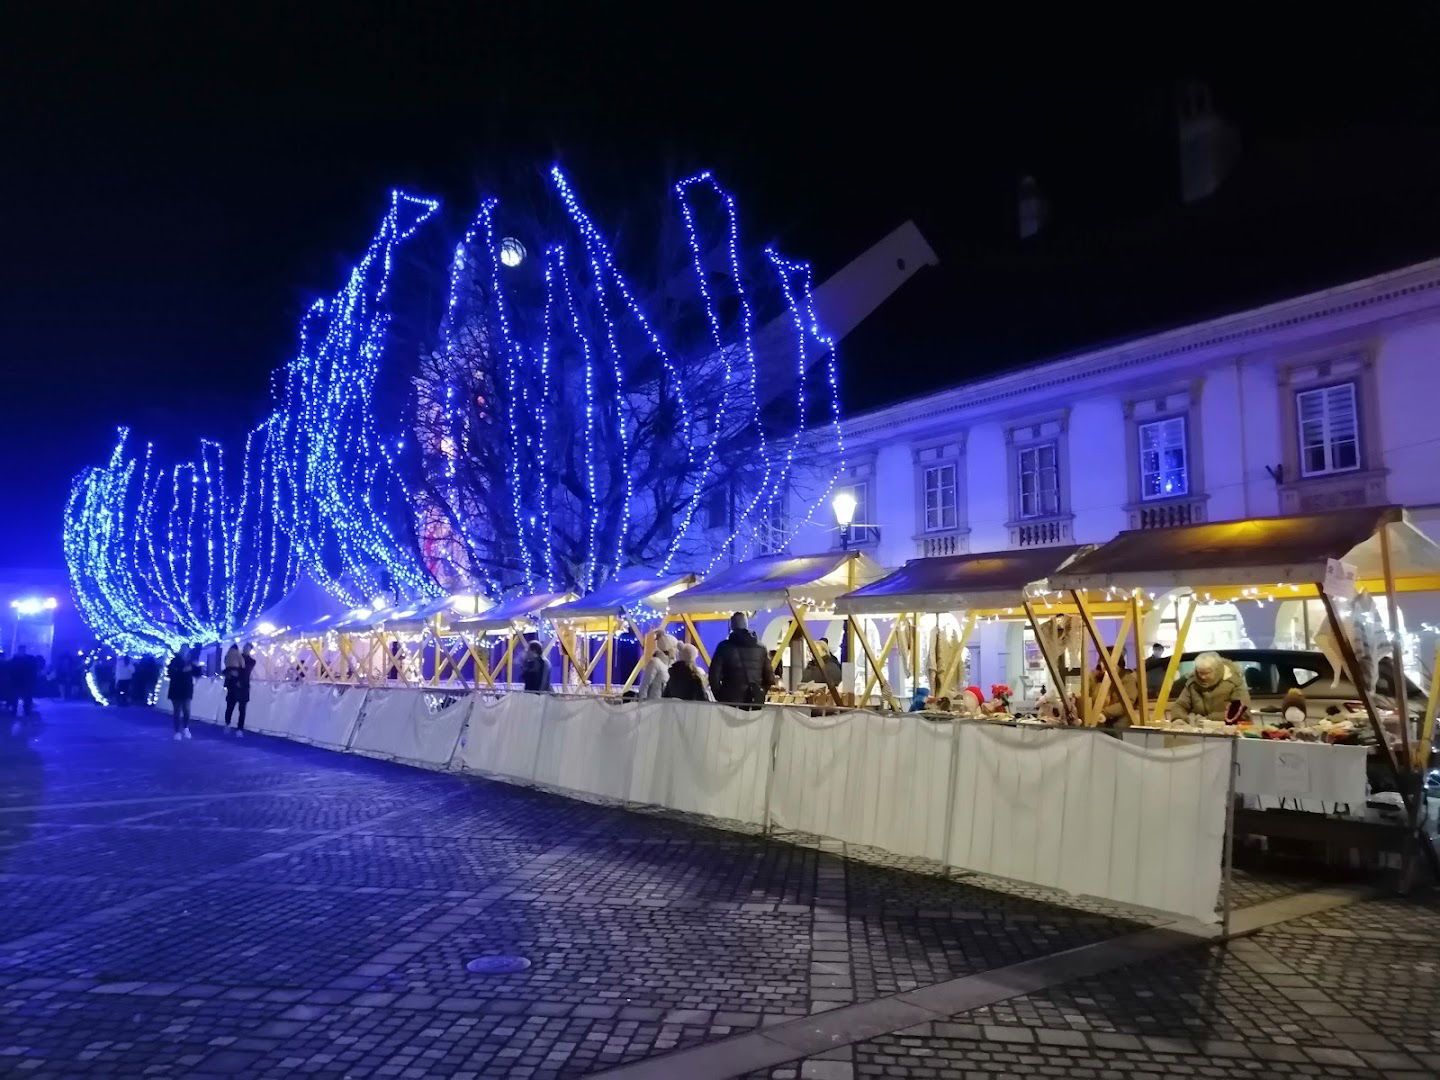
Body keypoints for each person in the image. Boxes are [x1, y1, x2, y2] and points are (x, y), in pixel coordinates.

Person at [708, 612, 773, 706]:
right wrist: (760, 693)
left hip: (730, 701)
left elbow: (714, 676)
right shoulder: (761, 648)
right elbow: (770, 678)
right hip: (754, 701)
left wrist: (721, 696)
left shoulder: (724, 647)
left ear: (732, 626)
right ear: (746, 624)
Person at [1168, 651, 1251, 722]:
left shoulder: (1234, 683)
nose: (1202, 677)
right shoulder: (1192, 684)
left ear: (1217, 670)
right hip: (1201, 732)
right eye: (1200, 672)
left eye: (1207, 673)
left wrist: (1209, 719)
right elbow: (1180, 705)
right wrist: (1178, 720)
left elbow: (1241, 711)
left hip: (1230, 731)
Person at [223, 643, 255, 736]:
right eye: (245, 647)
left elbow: (246, 671)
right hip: (233, 685)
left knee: (242, 709)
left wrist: (236, 676)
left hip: (243, 687)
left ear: (250, 650)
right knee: (230, 706)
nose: (245, 649)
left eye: (248, 648)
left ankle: (240, 728)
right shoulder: (235, 655)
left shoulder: (251, 661)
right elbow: (228, 667)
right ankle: (227, 724)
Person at [166, 648, 199, 739]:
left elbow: (197, 673)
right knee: (177, 710)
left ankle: (185, 728)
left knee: (187, 710)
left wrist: (197, 667)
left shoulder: (190, 662)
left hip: (187, 689)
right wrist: (182, 670)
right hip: (176, 689)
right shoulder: (174, 661)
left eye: (187, 651)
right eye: (184, 651)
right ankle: (177, 731)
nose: (185, 653)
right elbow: (170, 673)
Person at [640, 631, 676, 700]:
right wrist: (642, 704)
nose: (676, 651)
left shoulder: (670, 666)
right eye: (674, 648)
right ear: (668, 648)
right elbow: (645, 685)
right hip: (652, 705)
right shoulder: (655, 662)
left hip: (663, 706)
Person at [11, 646, 40, 716]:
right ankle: (26, 710)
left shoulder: (15, 658)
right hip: (26, 680)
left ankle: (15, 710)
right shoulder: (30, 659)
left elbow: (12, 668)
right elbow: (33, 669)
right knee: (27, 696)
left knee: (17, 696)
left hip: (18, 680)